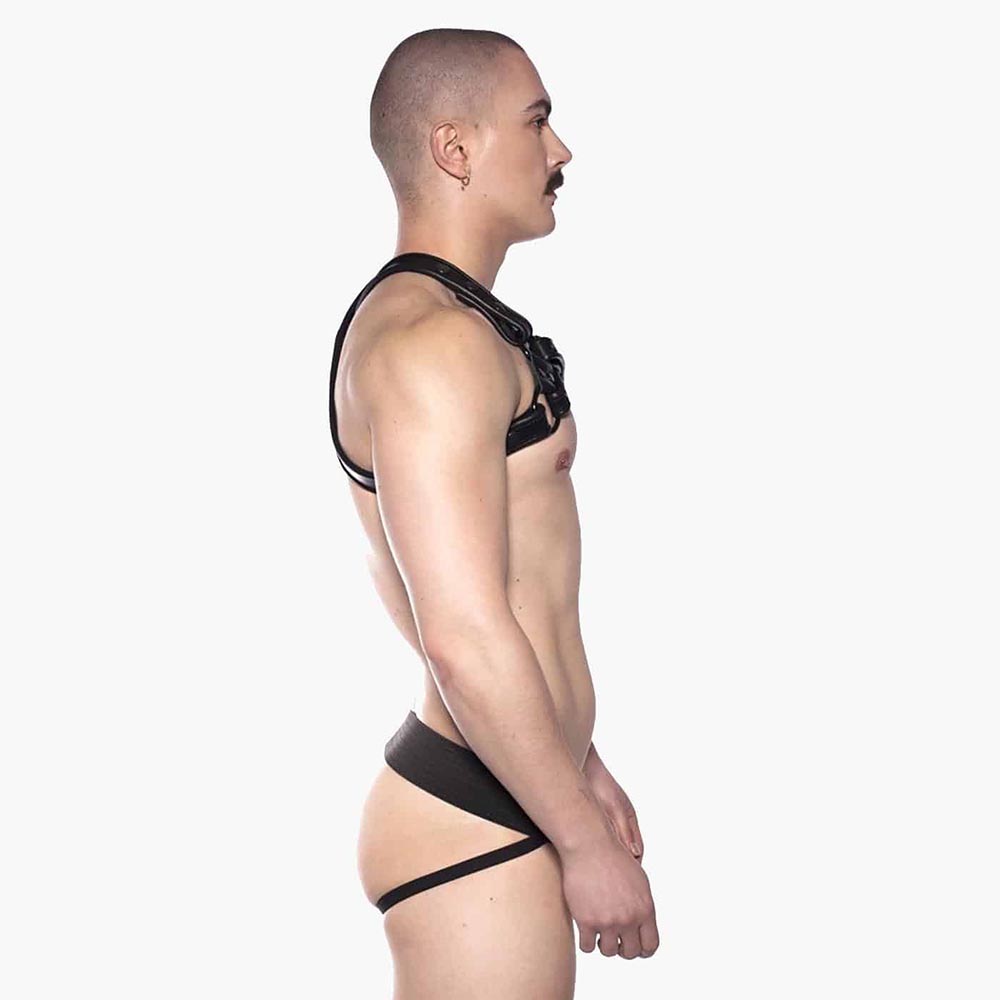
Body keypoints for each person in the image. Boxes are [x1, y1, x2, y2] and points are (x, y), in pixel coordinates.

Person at [329, 27, 659, 999]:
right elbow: (461, 632)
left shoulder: (452, 328)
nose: (561, 151)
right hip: (476, 817)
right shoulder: (430, 342)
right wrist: (579, 838)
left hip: (509, 790)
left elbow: (439, 585)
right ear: (455, 148)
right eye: (537, 121)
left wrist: (577, 762)